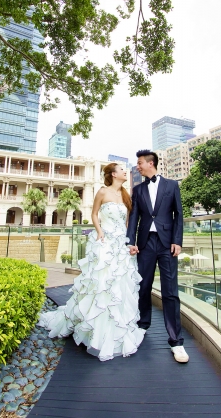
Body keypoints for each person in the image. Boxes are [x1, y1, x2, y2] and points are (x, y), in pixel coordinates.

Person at [38, 163, 145, 361]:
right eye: (122, 170)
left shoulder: (126, 195)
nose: (125, 172)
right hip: (104, 242)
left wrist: (132, 243)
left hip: (121, 244)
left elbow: (129, 223)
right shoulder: (102, 192)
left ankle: (118, 328)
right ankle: (94, 329)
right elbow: (94, 214)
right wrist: (100, 231)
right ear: (113, 174)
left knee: (120, 285)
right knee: (101, 284)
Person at [127, 149, 188, 363]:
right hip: (145, 243)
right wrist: (130, 241)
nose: (138, 166)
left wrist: (177, 241)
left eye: (140, 163)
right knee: (142, 286)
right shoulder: (138, 189)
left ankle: (176, 341)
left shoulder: (172, 185)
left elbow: (179, 214)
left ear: (151, 163)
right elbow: (134, 216)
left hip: (167, 244)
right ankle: (142, 327)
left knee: (170, 291)